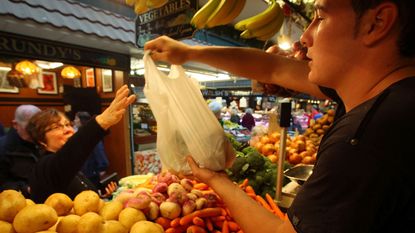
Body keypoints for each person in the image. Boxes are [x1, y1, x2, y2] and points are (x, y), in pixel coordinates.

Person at [144, 0, 415, 232]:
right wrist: (189, 53)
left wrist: (217, 180)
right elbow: (274, 68)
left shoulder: (365, 140)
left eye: (321, 18)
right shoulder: (392, 97)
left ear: (377, 22)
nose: (305, 38)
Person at [26, 85, 135, 202]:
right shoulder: (44, 168)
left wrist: (103, 196)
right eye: (56, 127)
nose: (68, 130)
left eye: (68, 124)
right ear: (41, 140)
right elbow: (70, 153)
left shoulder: (73, 168)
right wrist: (102, 122)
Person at [0, 105, 41, 197]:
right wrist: (26, 188)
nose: (36, 131)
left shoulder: (43, 141)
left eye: (40, 126)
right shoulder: (3, 148)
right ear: (15, 124)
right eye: (30, 127)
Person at [73, 111, 109, 188]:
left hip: (91, 172)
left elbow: (99, 152)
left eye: (76, 119)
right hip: (83, 172)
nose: (74, 121)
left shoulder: (91, 135)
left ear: (81, 120)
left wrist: (102, 167)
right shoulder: (78, 135)